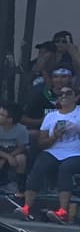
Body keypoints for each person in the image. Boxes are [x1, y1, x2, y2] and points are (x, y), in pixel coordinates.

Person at [22, 85, 80, 224]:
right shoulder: (51, 116)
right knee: (39, 166)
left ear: (76, 97)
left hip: (75, 153)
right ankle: (26, 207)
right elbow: (41, 143)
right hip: (53, 150)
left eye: (68, 93)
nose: (64, 96)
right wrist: (54, 136)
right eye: (61, 94)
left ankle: (63, 211)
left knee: (65, 169)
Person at [0, 103, 29, 197]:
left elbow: (22, 147)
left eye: (1, 115)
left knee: (21, 159)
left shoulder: (21, 129)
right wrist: (6, 157)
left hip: (15, 152)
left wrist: (9, 157)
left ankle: (21, 186)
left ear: (10, 119)